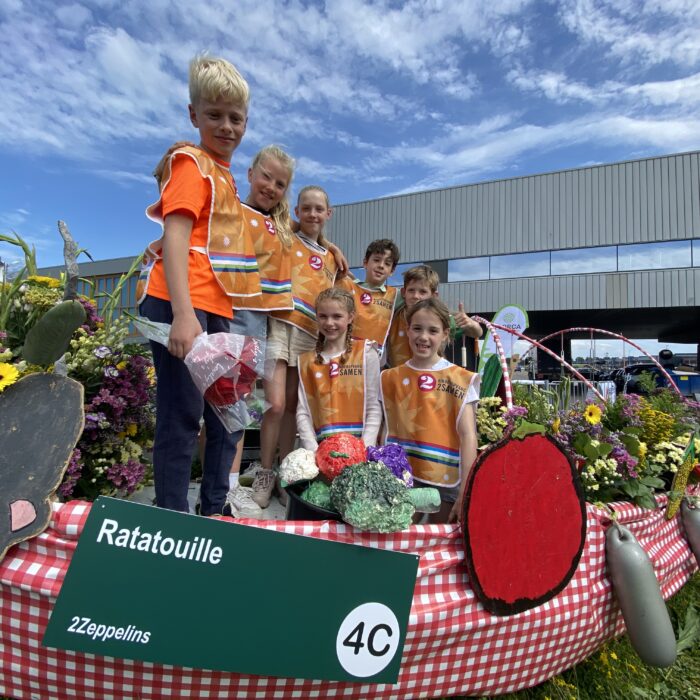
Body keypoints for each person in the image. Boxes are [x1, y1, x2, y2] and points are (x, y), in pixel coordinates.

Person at [136, 54, 254, 517]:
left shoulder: (225, 176)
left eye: (235, 118)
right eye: (214, 115)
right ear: (194, 115)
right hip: (182, 305)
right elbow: (178, 233)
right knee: (183, 414)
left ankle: (215, 508)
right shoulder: (192, 163)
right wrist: (185, 315)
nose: (226, 126)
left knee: (228, 415)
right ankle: (169, 518)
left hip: (220, 305)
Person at [251, 186, 339, 507]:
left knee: (291, 406)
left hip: (308, 333)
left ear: (328, 214)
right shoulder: (286, 237)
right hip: (278, 325)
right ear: (297, 211)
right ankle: (264, 471)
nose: (312, 214)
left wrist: (330, 246)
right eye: (306, 208)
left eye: (319, 209)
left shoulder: (332, 259)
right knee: (273, 405)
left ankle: (284, 474)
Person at [380, 297, 479, 523]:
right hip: (401, 478)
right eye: (417, 328)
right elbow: (384, 428)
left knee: (437, 544)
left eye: (433, 330)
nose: (423, 337)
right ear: (407, 330)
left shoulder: (460, 379)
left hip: (446, 481)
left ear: (445, 334)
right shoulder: (390, 378)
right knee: (400, 542)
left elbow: (468, 435)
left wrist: (466, 490)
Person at [296, 288, 381, 450]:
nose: (329, 323)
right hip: (321, 453)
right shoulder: (306, 361)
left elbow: (373, 407)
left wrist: (364, 449)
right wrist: (315, 452)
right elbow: (303, 412)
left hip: (359, 453)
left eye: (337, 316)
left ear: (350, 317)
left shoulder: (366, 353)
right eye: (323, 316)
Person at [385, 264, 482, 368]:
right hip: (398, 378)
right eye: (411, 290)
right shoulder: (392, 316)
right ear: (404, 292)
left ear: (434, 296)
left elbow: (477, 333)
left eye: (423, 291)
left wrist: (472, 324)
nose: (416, 296)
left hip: (431, 378)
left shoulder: (440, 320)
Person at [336, 239, 400, 354]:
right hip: (346, 354)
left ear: (392, 271)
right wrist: (335, 250)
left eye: (387, 263)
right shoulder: (348, 286)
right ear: (365, 263)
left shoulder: (396, 295)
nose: (381, 266)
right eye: (376, 260)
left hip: (373, 358)